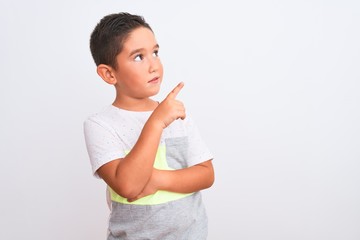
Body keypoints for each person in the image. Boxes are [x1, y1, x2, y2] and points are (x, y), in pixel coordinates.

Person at [84, 12, 215, 240]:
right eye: (138, 57)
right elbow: (129, 186)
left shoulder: (176, 113)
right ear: (109, 73)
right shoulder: (100, 125)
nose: (154, 65)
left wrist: (155, 179)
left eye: (155, 52)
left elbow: (206, 175)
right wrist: (156, 121)